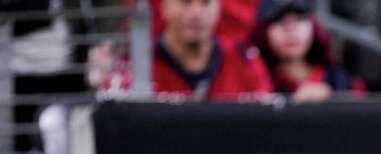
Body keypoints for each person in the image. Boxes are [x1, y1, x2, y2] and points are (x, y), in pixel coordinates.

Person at [87, 0, 274, 99]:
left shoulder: (244, 61)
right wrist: (100, 86)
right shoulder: (136, 68)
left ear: (219, 7)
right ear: (164, 6)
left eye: (206, 2)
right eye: (185, 2)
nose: (196, 13)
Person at [251, 0, 366, 102]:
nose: (291, 30)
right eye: (278, 20)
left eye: (300, 18)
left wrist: (332, 99)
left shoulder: (342, 81)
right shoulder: (255, 81)